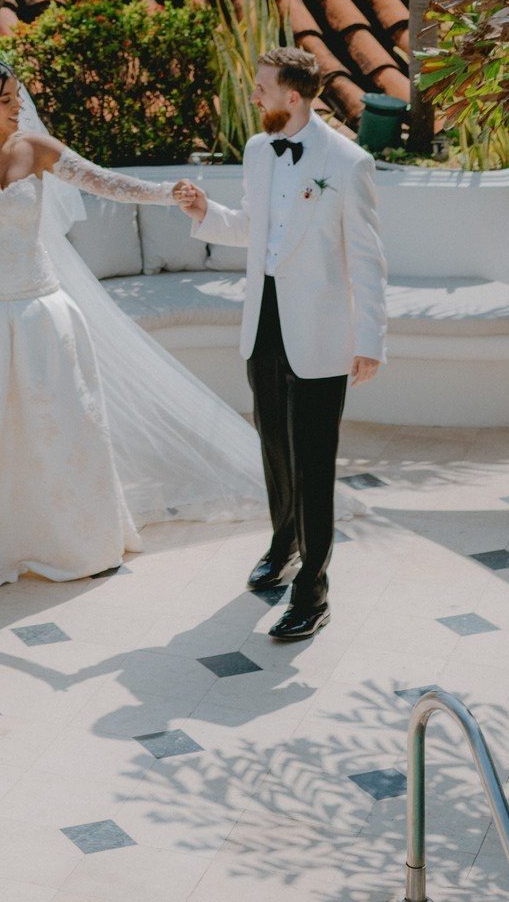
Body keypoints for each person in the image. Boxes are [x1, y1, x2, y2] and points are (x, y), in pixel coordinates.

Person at [0, 52, 265, 595]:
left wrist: (166, 194)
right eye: (6, 101)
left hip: (39, 309)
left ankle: (74, 541)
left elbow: (106, 183)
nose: (17, 109)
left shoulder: (36, 150)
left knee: (62, 425)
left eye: (16, 99)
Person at [179, 39, 386, 643]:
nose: (254, 94)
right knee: (275, 449)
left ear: (292, 97)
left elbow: (369, 260)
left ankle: (313, 592)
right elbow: (253, 228)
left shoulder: (348, 164)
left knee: (315, 462)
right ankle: (283, 545)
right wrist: (204, 212)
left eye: (262, 87)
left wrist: (368, 338)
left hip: (321, 332)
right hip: (262, 323)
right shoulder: (258, 150)